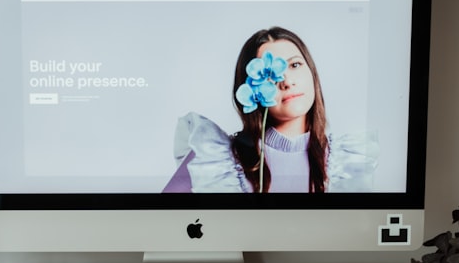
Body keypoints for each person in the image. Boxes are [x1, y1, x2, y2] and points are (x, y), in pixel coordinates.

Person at [162, 26, 379, 193]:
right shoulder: (215, 159)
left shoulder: (347, 161)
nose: (286, 82)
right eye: (269, 75)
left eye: (295, 65)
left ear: (312, 72)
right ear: (247, 86)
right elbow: (166, 225)